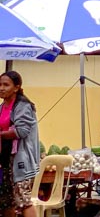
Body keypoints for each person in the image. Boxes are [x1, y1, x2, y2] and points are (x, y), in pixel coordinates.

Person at [0, 71, 39, 217]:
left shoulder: (23, 106)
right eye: (0, 85)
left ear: (16, 87)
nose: (1, 88)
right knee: (7, 200)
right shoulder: (3, 106)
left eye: (6, 85)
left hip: (19, 159)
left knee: (23, 200)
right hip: (5, 159)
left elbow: (21, 131)